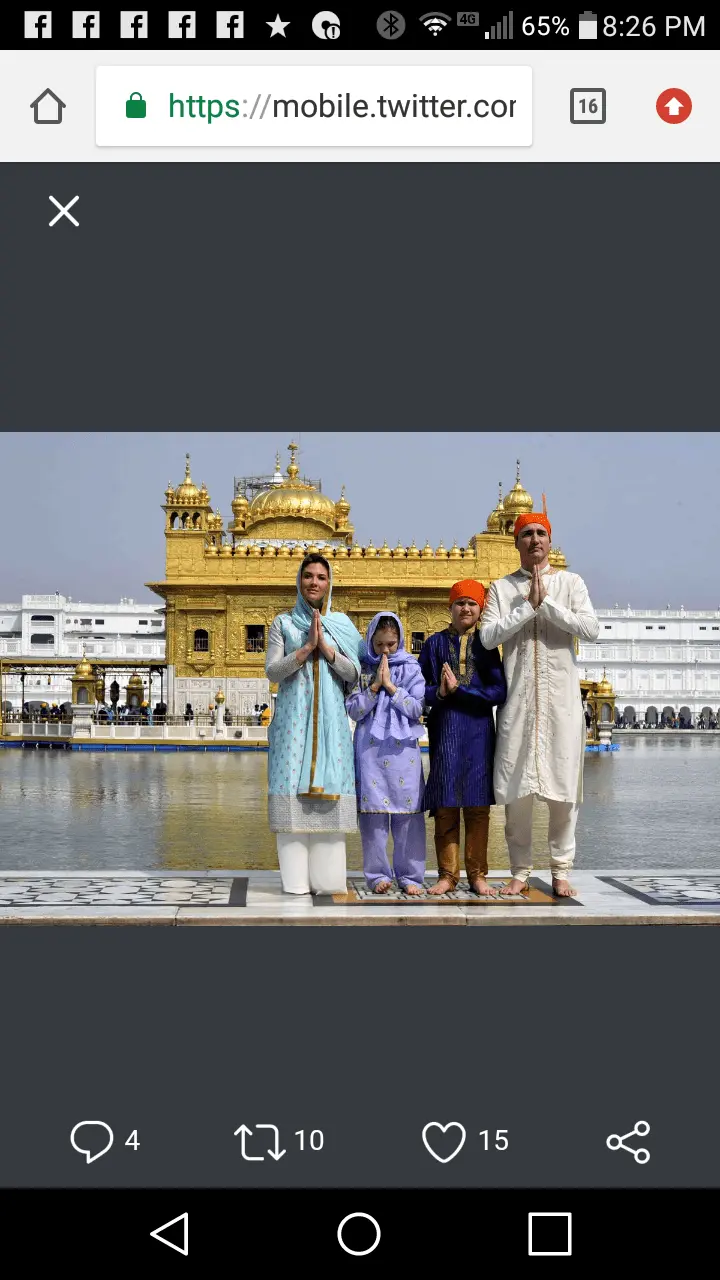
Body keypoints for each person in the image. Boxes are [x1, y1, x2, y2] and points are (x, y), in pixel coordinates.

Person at [480, 504, 599, 897]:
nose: (534, 540)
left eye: (540, 533)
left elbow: (590, 628)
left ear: (550, 541)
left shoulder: (571, 583)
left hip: (561, 706)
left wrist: (547, 604)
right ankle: (519, 870)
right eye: (526, 534)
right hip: (518, 704)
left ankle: (561, 870)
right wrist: (527, 607)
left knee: (564, 792)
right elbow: (488, 637)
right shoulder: (501, 589)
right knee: (516, 793)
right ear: (516, 543)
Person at [266, 553, 362, 895]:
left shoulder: (342, 624)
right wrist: (306, 648)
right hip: (292, 723)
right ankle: (295, 883)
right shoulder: (284, 623)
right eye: (308, 575)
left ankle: (327, 881)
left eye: (321, 577)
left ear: (329, 583)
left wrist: (327, 649)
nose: (314, 582)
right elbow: (273, 672)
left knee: (330, 802)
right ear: (299, 580)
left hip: (332, 726)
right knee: (291, 792)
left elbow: (354, 673)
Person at [419, 580, 507, 897]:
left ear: (481, 610)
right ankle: (447, 875)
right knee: (445, 804)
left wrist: (462, 691)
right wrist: (441, 693)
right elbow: (419, 690)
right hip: (445, 730)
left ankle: (478, 875)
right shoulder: (433, 645)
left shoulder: (486, 646)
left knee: (477, 806)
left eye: (472, 603)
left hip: (478, 733)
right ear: (451, 607)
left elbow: (499, 691)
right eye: (460, 603)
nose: (466, 609)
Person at [346, 613, 427, 895]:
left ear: (400, 641)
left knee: (408, 816)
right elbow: (354, 710)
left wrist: (391, 687)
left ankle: (410, 876)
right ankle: (377, 875)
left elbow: (417, 709)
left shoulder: (411, 668)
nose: (385, 651)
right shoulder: (362, 668)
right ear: (370, 641)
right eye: (379, 644)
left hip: (404, 753)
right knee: (373, 817)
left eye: (391, 644)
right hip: (370, 752)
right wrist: (375, 687)